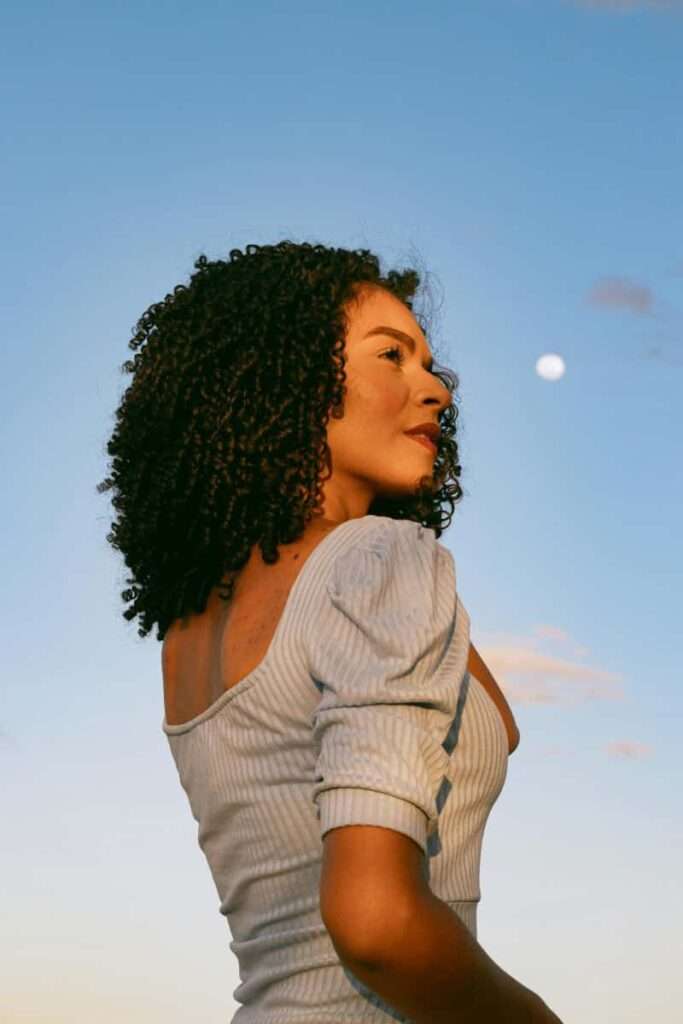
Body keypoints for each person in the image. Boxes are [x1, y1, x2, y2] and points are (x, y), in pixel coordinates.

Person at [97, 240, 562, 1022]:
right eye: (391, 355)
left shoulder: (191, 627)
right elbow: (375, 924)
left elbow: (490, 725)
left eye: (429, 363)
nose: (436, 391)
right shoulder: (378, 561)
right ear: (292, 380)